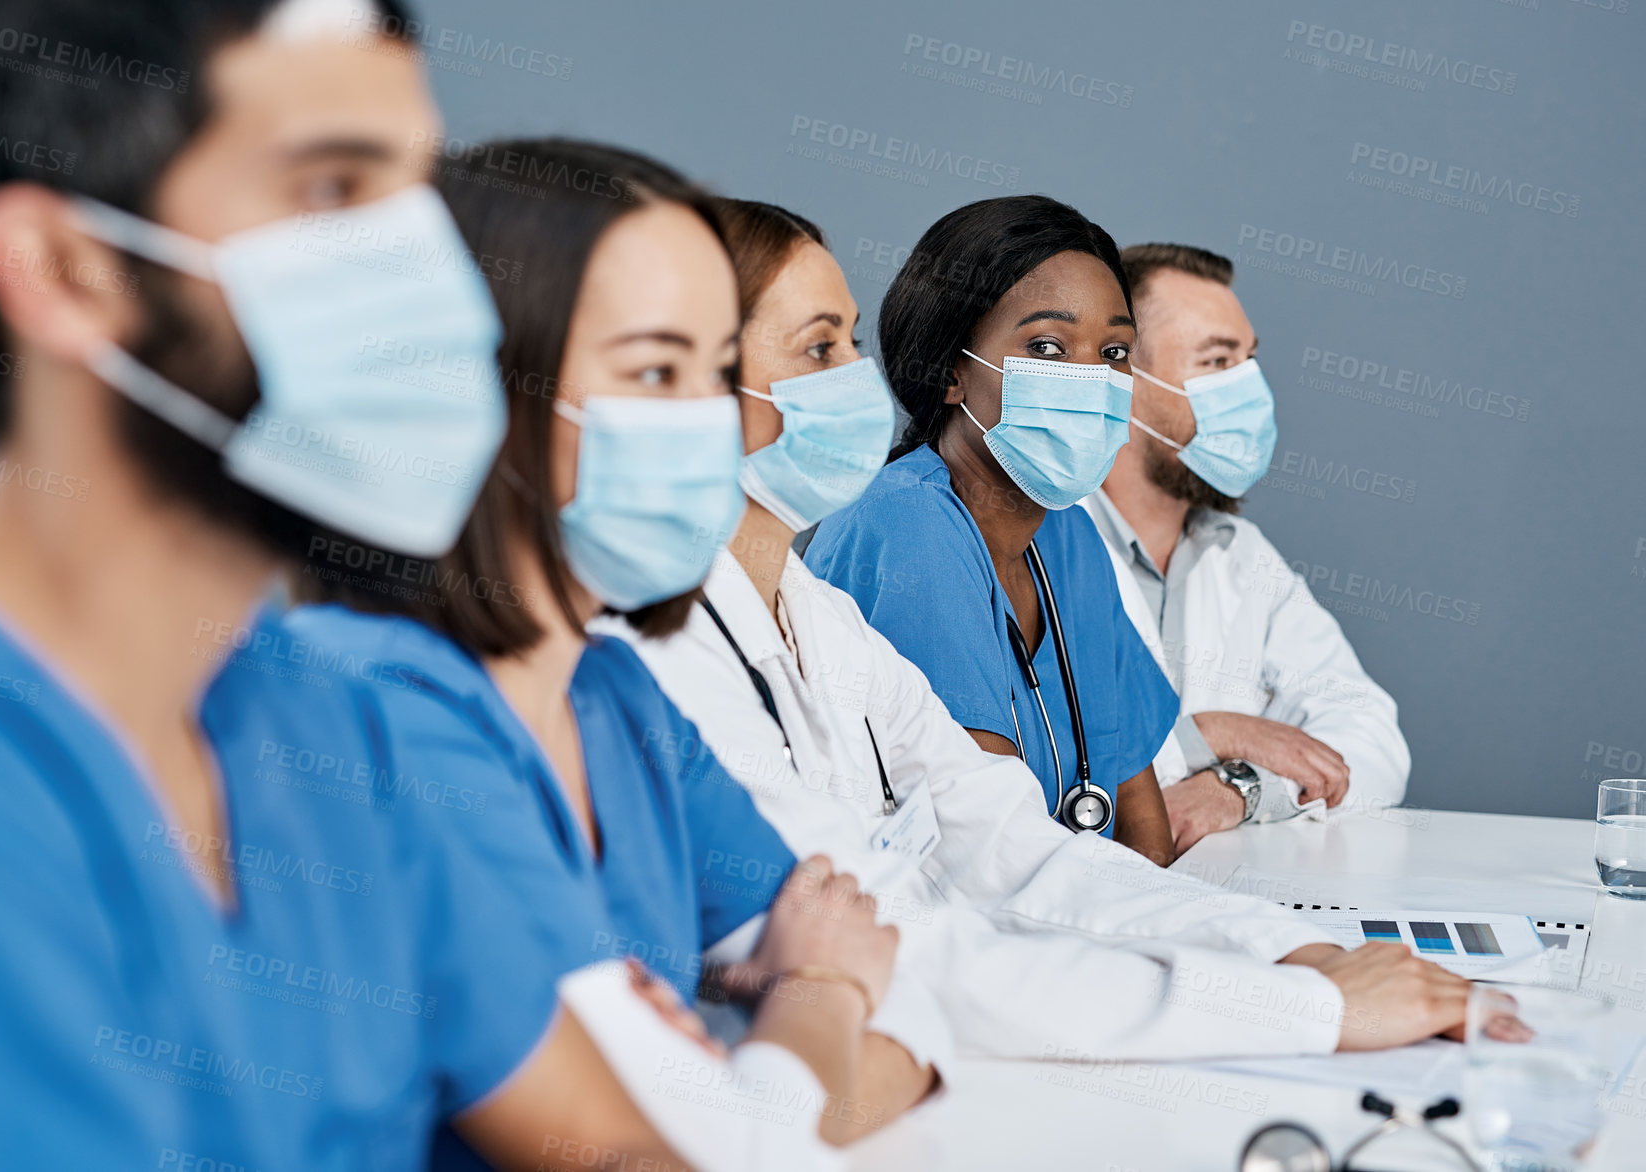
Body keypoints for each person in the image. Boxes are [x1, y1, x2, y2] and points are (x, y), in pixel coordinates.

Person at [0, 4, 871, 1169]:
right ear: (69, 272)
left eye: (419, 198)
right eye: (334, 190)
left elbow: (629, 1151)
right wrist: (815, 1001)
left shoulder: (326, 733)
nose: (441, 288)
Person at [605, 196, 1475, 1063]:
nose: (852, 382)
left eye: (852, 345)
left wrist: (1298, 953)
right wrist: (1310, 1009)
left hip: (889, 1055)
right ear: (685, 380)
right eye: (819, 348)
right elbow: (918, 941)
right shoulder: (652, 650)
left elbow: (1014, 848)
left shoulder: (821, 620)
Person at [286, 138, 942, 1162]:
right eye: (653, 370)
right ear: (478, 388)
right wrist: (818, 998)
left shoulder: (614, 695)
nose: (710, 420)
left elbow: (902, 1002)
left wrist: (767, 1089)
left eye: (719, 371)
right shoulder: (369, 715)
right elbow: (687, 1143)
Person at [804, 195, 1176, 863]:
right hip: (938, 934)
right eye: (1047, 347)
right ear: (951, 370)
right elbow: (988, 851)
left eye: (1114, 350)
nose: (1091, 377)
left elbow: (1143, 822)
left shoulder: (1070, 540)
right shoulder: (908, 527)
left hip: (1069, 920)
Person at [1076, 242, 1411, 854]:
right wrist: (1212, 734)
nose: (1249, 388)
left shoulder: (1238, 552)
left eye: (1248, 360)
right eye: (1217, 360)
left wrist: (1238, 784)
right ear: (1120, 374)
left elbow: (1372, 740)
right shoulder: (1039, 543)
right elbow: (1031, 773)